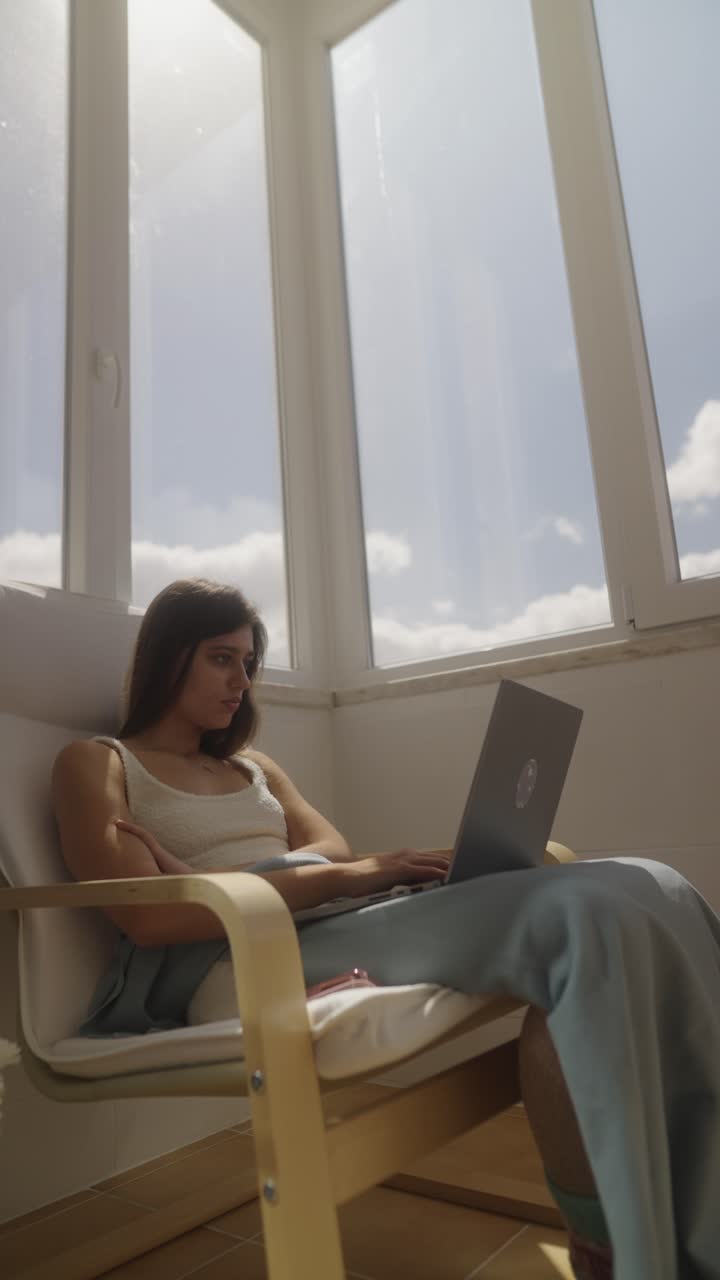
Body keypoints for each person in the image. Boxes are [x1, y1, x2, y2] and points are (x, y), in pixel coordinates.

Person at [51, 578, 720, 1280]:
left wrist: (253, 870)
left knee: (646, 881)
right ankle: (623, 1254)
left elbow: (334, 850)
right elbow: (148, 916)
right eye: (223, 658)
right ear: (169, 653)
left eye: (249, 663)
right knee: (588, 909)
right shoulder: (98, 763)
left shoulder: (253, 767)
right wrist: (325, 877)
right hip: (243, 954)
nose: (242, 682)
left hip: (329, 918)